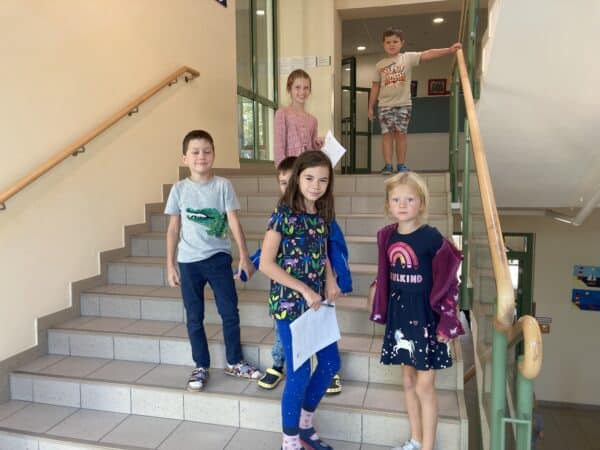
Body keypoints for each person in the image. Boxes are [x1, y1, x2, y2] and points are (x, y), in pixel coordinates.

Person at [369, 172, 465, 450]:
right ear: (388, 205)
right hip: (401, 315)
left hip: (427, 318)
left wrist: (448, 320)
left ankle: (428, 446)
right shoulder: (387, 237)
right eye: (396, 199)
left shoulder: (431, 237)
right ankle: (415, 439)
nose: (402, 205)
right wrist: (377, 291)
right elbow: (386, 272)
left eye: (409, 199)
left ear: (421, 204)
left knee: (425, 386)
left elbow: (449, 279)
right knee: (408, 380)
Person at [165, 129, 262, 392]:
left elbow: (233, 222)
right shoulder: (179, 189)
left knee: (229, 312)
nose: (201, 156)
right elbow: (173, 229)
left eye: (207, 151)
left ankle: (234, 361)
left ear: (214, 155)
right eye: (195, 152)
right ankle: (201, 365)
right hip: (188, 261)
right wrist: (170, 264)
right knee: (194, 316)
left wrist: (244, 256)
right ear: (185, 158)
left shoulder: (223, 186)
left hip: (219, 258)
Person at [260, 151, 341, 450]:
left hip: (317, 305)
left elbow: (322, 252)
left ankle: (305, 426)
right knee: (299, 372)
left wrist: (330, 278)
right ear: (297, 178)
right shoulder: (283, 215)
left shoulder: (321, 213)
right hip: (289, 306)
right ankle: (290, 441)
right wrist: (304, 290)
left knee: (330, 363)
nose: (315, 185)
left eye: (323, 180)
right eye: (309, 178)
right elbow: (266, 264)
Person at [368, 27, 461, 174]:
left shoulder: (407, 58)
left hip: (404, 105)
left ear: (402, 43)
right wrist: (370, 107)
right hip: (384, 105)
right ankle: (388, 166)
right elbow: (375, 86)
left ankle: (401, 165)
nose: (392, 45)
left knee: (401, 135)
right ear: (383, 44)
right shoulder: (379, 65)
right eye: (388, 42)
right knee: (387, 136)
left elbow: (428, 53)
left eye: (395, 41)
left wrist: (449, 50)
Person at [274, 69, 324, 166]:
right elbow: (279, 149)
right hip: (290, 169)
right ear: (289, 89)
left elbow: (312, 151)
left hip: (307, 169)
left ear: (310, 90)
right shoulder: (282, 114)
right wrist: (285, 171)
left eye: (306, 88)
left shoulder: (313, 120)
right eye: (297, 87)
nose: (302, 92)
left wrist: (318, 145)